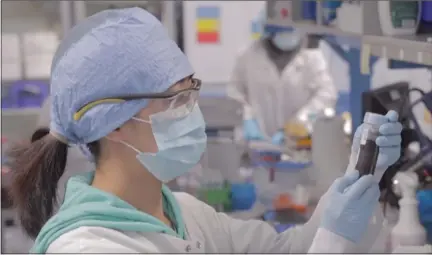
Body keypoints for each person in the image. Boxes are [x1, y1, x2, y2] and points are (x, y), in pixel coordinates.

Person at [8, 8, 403, 253]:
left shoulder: (184, 213)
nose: (192, 113)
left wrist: (358, 182)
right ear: (116, 124)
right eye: (177, 100)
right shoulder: (89, 247)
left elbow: (290, 249)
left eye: (191, 92)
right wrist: (332, 244)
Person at [227, 21, 338, 145]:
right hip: (256, 143)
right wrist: (247, 118)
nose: (288, 35)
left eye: (292, 30)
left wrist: (300, 121)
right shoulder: (248, 56)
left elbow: (327, 95)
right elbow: (235, 93)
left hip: (299, 144)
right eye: (283, 31)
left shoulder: (312, 57)